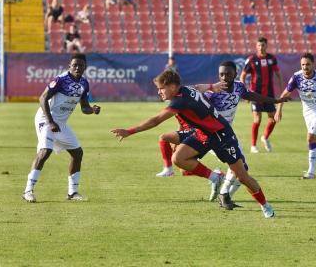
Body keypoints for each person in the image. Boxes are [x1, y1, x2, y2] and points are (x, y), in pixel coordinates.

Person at [111, 69, 275, 218]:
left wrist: (129, 131)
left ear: (173, 87)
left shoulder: (179, 102)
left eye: (161, 88)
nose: (158, 91)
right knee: (178, 158)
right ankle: (215, 178)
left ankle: (266, 206)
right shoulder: (186, 89)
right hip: (203, 133)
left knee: (242, 176)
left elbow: (155, 121)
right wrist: (212, 85)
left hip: (221, 135)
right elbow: (199, 87)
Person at [156, 62, 290, 206]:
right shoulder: (213, 92)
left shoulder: (239, 87)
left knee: (241, 170)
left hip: (225, 134)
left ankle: (223, 193)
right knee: (238, 170)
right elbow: (191, 108)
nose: (224, 77)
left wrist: (275, 100)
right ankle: (218, 186)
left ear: (235, 74)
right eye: (221, 74)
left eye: (228, 74)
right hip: (209, 134)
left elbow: (253, 96)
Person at [22, 53, 101, 203]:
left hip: (61, 124)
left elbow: (84, 107)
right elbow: (43, 98)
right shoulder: (61, 79)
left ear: (85, 67)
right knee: (45, 151)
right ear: (69, 66)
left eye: (80, 65)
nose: (77, 67)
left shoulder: (84, 83)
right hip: (46, 119)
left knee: (77, 153)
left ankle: (72, 193)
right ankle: (28, 191)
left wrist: (92, 110)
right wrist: (51, 122)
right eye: (74, 65)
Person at [275, 53, 316, 179]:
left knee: (310, 138)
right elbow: (285, 93)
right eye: (303, 65)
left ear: (313, 64)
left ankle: (311, 172)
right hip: (307, 114)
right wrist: (279, 110)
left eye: (307, 64)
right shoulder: (296, 77)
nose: (305, 67)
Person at [240, 37, 283, 153]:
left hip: (269, 94)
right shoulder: (252, 60)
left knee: (273, 118)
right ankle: (253, 146)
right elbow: (243, 75)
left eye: (263, 45)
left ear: (266, 46)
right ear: (256, 46)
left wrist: (282, 90)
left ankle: (265, 137)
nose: (261, 47)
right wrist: (244, 92)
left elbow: (278, 74)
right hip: (255, 94)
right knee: (257, 119)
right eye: (259, 45)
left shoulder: (272, 59)